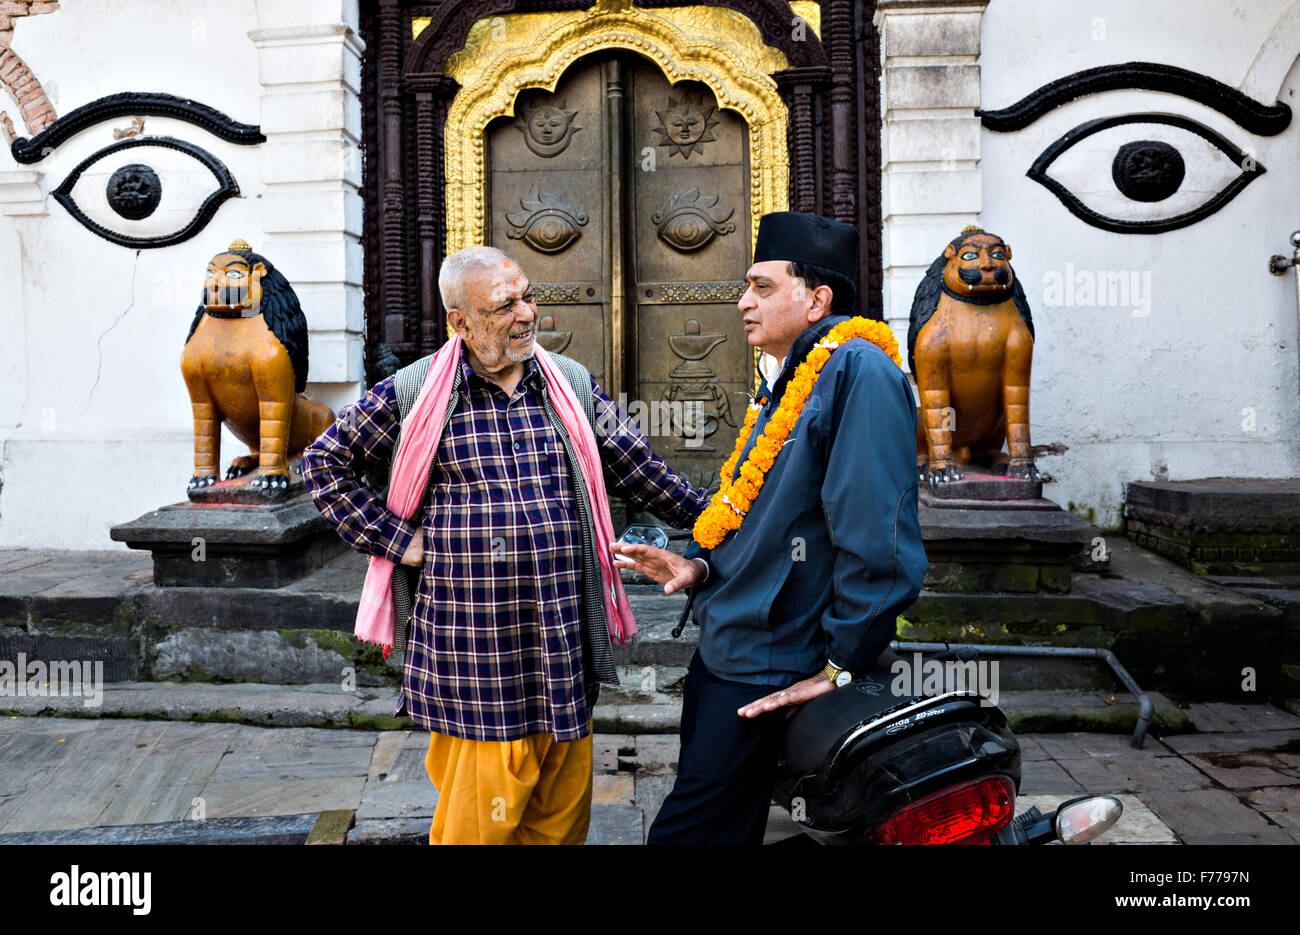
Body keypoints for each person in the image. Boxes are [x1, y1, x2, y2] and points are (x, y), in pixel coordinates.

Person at [301, 245, 708, 845]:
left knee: (561, 804)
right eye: (505, 304)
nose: (527, 314)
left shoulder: (566, 382)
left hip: (561, 629)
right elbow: (324, 463)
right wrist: (399, 543)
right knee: (481, 816)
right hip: (475, 642)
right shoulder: (413, 392)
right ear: (460, 322)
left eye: (528, 296)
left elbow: (641, 470)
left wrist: (729, 521)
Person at [611, 211, 929, 845]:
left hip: (774, 660)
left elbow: (878, 535)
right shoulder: (791, 375)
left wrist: (842, 663)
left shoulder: (858, 372)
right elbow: (754, 506)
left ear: (817, 298)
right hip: (732, 644)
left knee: (689, 834)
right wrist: (699, 563)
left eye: (761, 287)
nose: (741, 303)